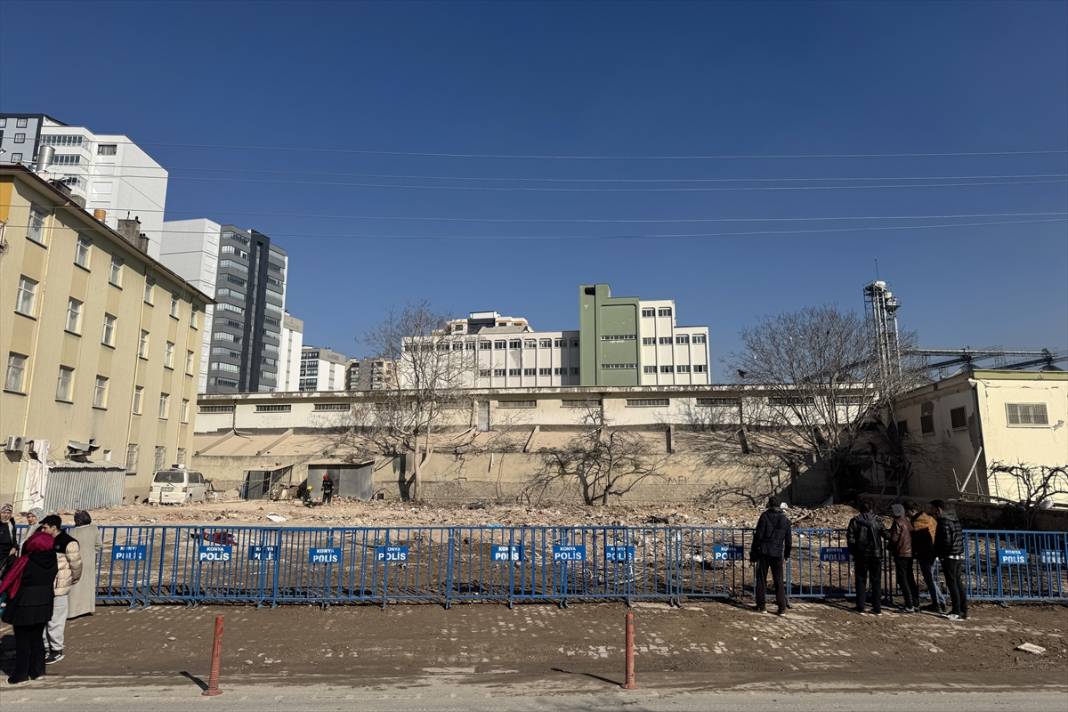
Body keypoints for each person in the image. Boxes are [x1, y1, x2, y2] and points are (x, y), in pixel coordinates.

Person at [0, 529, 58, 684]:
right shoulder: (52, 559)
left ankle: (21, 673)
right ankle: (37, 670)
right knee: (37, 638)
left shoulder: (26, 561)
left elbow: (11, 578)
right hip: (44, 602)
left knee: (23, 641)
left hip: (25, 603)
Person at [38, 514, 82, 664]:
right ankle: (43, 647)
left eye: (45, 527)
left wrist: (72, 579)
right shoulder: (42, 540)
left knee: (55, 620)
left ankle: (56, 650)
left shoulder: (68, 543)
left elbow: (76, 565)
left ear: (54, 527)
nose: (42, 530)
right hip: (43, 586)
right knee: (42, 618)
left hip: (59, 588)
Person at [749, 497, 792, 615]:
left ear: (769, 505)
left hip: (764, 552)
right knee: (778, 580)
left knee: (761, 579)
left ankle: (761, 606)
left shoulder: (764, 516)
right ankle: (782, 608)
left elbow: (758, 537)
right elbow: (788, 541)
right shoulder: (785, 520)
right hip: (777, 553)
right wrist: (786, 555)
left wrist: (753, 554)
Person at [846, 500, 885, 615]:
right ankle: (877, 607)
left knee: (861, 580)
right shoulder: (877, 520)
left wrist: (854, 551)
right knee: (876, 581)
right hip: (876, 554)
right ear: (871, 509)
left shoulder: (855, 521)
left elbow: (850, 538)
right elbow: (885, 534)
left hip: (861, 555)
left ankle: (860, 606)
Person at [907, 501, 946, 613]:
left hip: (925, 554)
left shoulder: (916, 522)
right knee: (930, 579)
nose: (906, 514)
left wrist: (914, 552)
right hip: (933, 552)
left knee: (929, 579)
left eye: (907, 512)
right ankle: (940, 602)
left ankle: (938, 603)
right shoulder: (930, 518)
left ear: (911, 511)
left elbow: (915, 540)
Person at [932, 499, 968, 621]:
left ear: (939, 509)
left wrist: (941, 554)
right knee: (958, 583)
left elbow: (946, 540)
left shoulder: (943, 521)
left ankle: (956, 610)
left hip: (949, 556)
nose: (932, 512)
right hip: (958, 555)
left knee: (952, 584)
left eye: (933, 509)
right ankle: (963, 610)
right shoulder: (955, 520)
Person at [68, 510, 101, 619]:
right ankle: (88, 608)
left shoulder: (71, 532)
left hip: (75, 561)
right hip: (90, 560)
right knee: (88, 585)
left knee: (75, 586)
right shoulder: (94, 529)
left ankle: (73, 611)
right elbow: (98, 545)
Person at [888, 503, 918, 612]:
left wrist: (889, 547)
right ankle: (915, 603)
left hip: (900, 553)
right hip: (909, 554)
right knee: (910, 578)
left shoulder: (897, 523)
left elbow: (894, 539)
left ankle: (909, 605)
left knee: (903, 579)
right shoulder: (908, 522)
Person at [0, 503, 19, 578]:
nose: (6, 515)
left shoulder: (11, 524)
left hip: (9, 554)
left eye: (8, 513)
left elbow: (14, 540)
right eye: (3, 512)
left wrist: (15, 547)